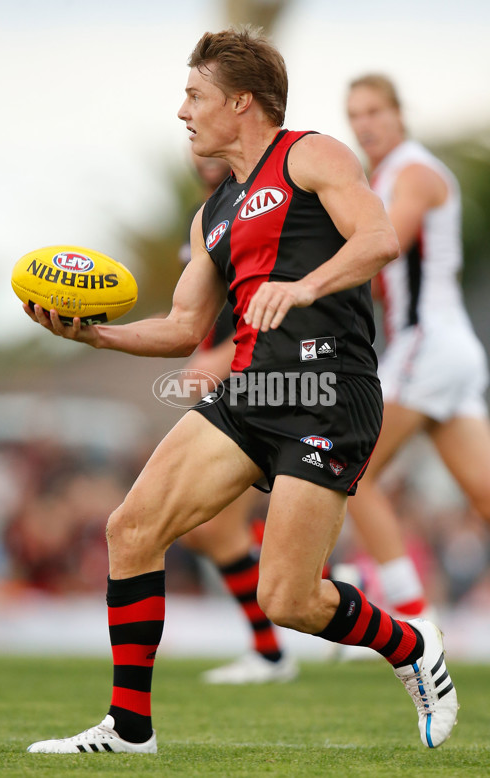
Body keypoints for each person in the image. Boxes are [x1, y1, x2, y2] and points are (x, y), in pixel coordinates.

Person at [24, 28, 458, 755]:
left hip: (328, 390)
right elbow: (182, 326)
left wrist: (304, 286)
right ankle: (130, 730)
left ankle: (410, 643)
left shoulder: (311, 154)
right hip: (250, 393)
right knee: (131, 529)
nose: (183, 111)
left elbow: (380, 238)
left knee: (289, 599)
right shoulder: (213, 212)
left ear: (242, 102)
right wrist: (95, 336)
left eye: (195, 95)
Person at [345, 74, 490, 627]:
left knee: (346, 469)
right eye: (355, 115)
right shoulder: (389, 174)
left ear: (399, 115)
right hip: (446, 348)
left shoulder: (413, 172)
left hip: (427, 346)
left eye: (374, 112)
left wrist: (301, 275)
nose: (364, 124)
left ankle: (413, 616)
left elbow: (385, 244)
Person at [178, 149, 298, 684]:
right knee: (204, 528)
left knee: (208, 524)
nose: (199, 150)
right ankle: (271, 646)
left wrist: (215, 360)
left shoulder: (265, 207)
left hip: (267, 388)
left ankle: (277, 641)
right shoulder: (211, 213)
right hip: (234, 386)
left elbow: (268, 311)